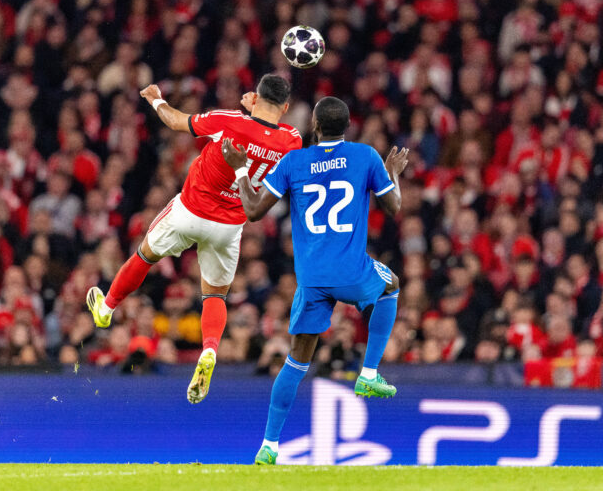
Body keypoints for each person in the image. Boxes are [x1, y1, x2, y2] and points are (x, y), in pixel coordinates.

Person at [86, 74, 301, 404]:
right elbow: (264, 133)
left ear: (256, 97)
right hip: (230, 225)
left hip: (191, 211)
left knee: (145, 255)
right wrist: (252, 111)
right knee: (214, 294)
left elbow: (175, 122)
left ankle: (107, 307)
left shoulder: (227, 121)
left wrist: (156, 99)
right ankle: (210, 350)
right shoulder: (292, 140)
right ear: (285, 107)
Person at [221, 96, 408, 465]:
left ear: (315, 128)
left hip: (311, 279)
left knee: (297, 360)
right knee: (391, 284)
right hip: (351, 273)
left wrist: (241, 170)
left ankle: (269, 446)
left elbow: (254, 211)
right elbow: (395, 207)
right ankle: (368, 373)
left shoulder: (293, 161)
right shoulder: (365, 156)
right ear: (348, 126)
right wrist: (393, 174)